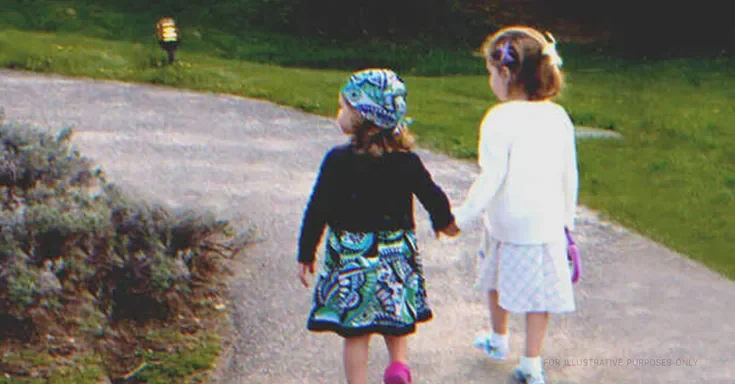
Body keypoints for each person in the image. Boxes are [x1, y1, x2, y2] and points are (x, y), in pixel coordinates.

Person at [297, 68, 460, 384]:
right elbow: (431, 193)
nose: (339, 114)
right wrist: (445, 221)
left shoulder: (337, 160)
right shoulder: (406, 161)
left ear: (363, 117)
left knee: (355, 333)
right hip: (393, 256)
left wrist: (307, 252)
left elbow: (318, 208)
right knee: (394, 316)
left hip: (351, 258)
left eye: (344, 107)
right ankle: (398, 367)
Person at [451, 26, 579, 384]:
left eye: (491, 73)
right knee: (538, 298)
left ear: (505, 73)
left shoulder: (499, 118)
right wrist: (567, 221)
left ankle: (498, 339)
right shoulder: (558, 117)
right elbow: (570, 174)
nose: (491, 80)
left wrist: (461, 217)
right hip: (546, 226)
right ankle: (532, 363)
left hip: (506, 225)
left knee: (496, 279)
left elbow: (490, 178)